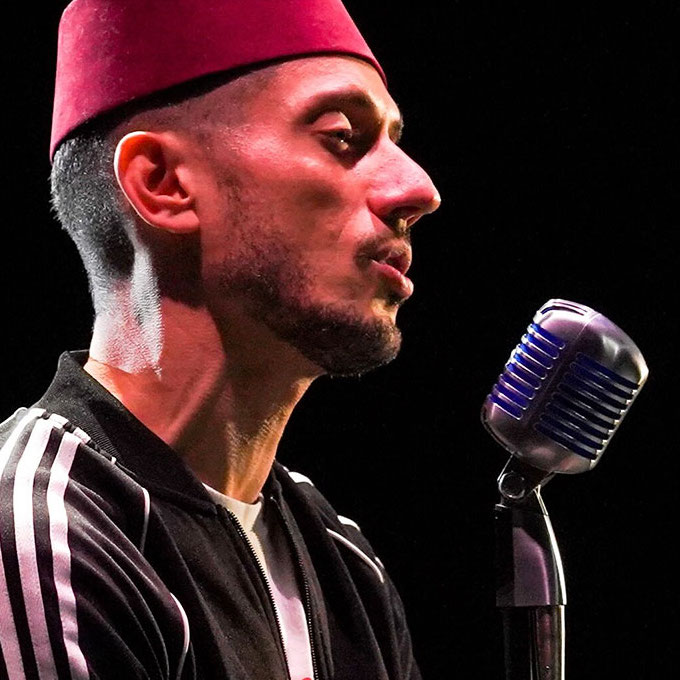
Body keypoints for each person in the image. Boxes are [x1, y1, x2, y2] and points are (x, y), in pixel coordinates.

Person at [0, 0, 440, 678]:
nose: (418, 188)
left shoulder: (345, 565)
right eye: (342, 136)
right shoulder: (41, 527)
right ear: (163, 183)